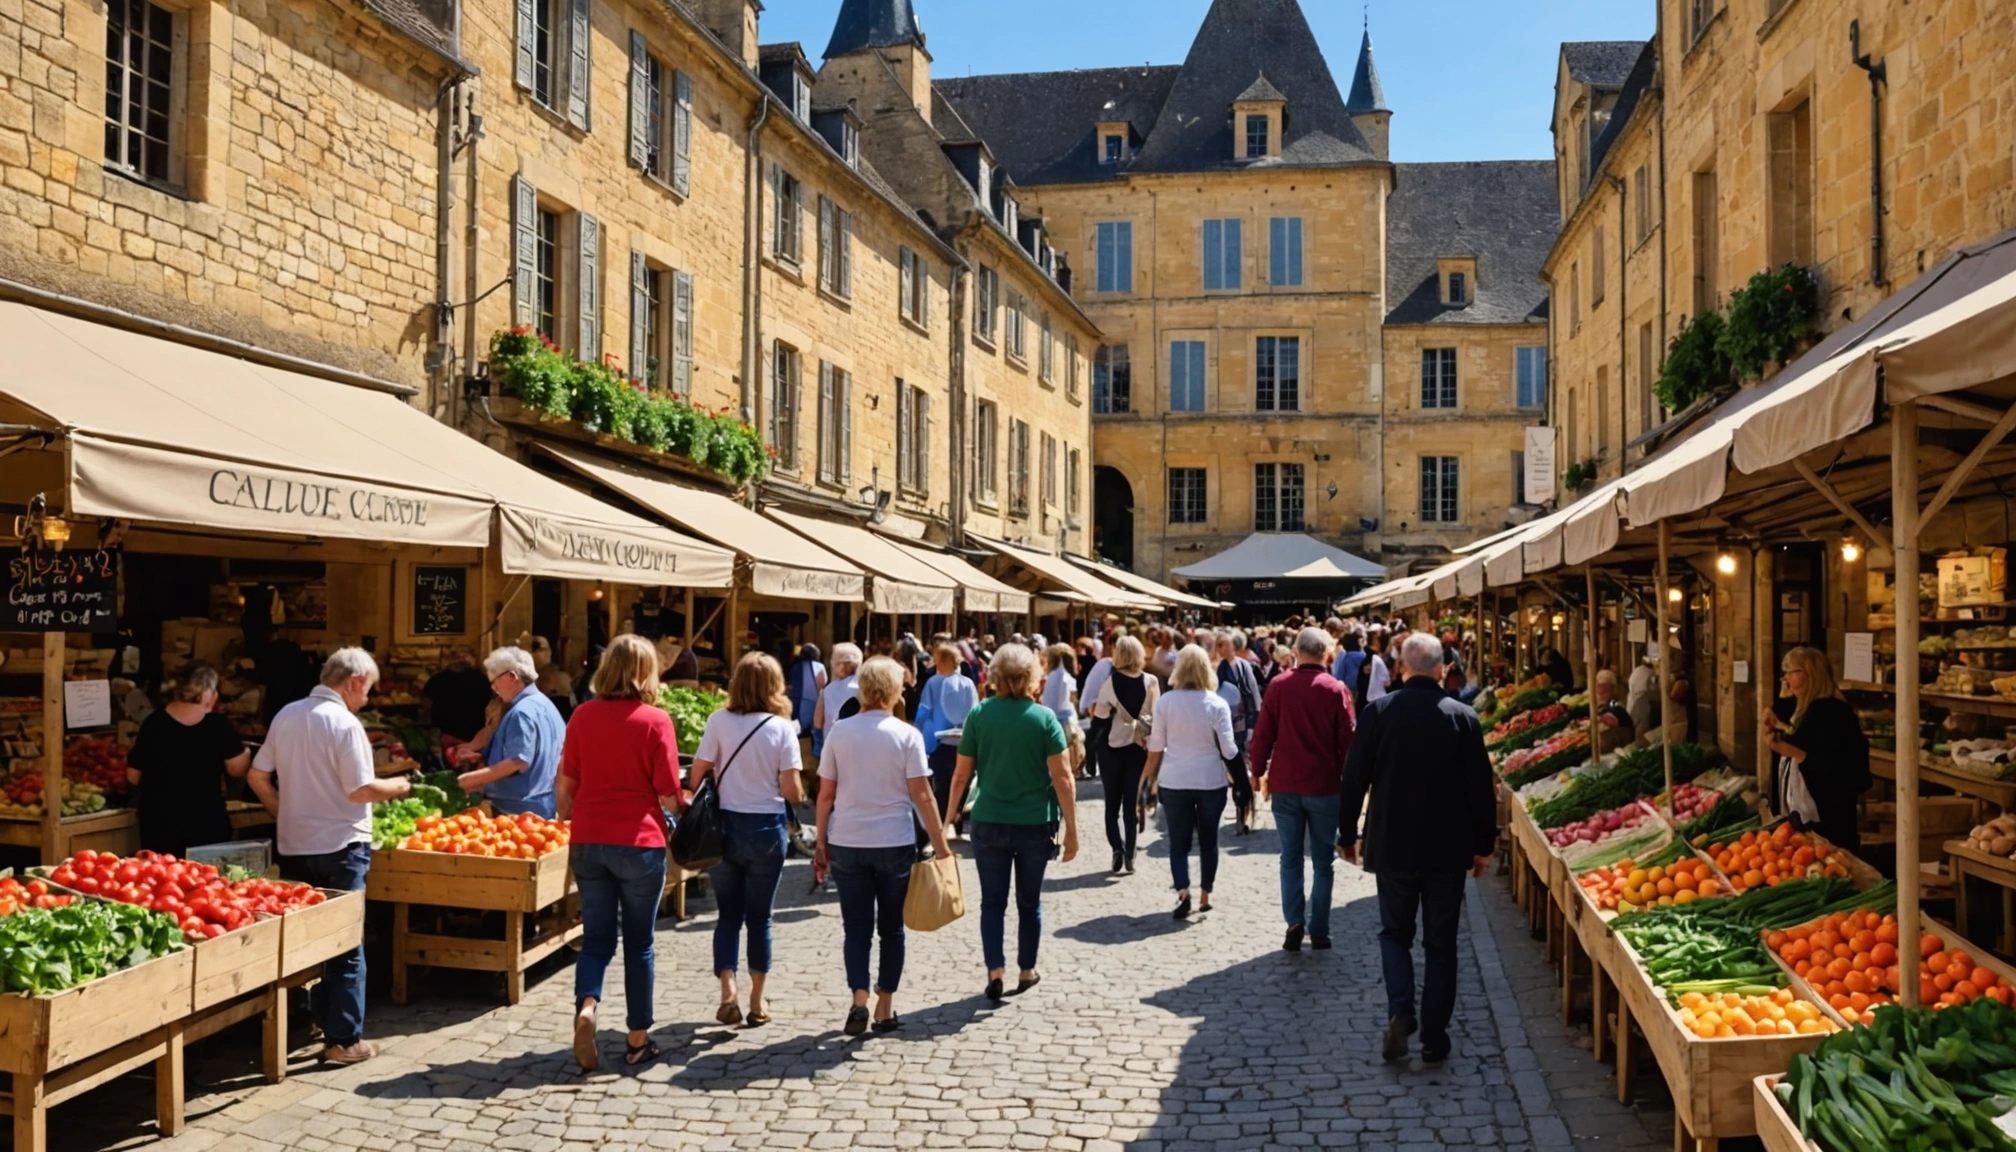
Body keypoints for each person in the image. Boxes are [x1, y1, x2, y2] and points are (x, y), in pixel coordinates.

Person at [247, 648, 412, 1065]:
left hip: (296, 844)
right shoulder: (344, 723)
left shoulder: (287, 714)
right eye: (368, 690)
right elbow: (360, 790)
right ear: (354, 681)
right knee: (345, 943)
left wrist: (283, 811)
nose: (368, 699)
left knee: (307, 942)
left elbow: (256, 775)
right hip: (341, 845)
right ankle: (344, 1040)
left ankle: (317, 1019)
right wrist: (399, 787)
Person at [1339, 633, 1497, 1065]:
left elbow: (1354, 776)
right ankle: (1434, 1036)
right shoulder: (1462, 717)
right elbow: (1480, 788)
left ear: (1400, 669)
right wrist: (1484, 845)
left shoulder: (1378, 713)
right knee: (1442, 943)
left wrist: (1347, 833)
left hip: (1392, 842)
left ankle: (1401, 1011)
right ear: (1442, 669)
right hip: (1448, 847)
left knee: (1394, 933)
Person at [560, 635, 684, 1071]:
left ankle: (587, 1006)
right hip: (639, 841)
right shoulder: (655, 721)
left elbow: (566, 786)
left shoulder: (581, 716)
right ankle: (637, 1039)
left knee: (595, 939)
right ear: (646, 672)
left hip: (589, 839)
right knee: (639, 943)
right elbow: (669, 793)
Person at [815, 657, 953, 1035]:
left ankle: (858, 998)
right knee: (891, 929)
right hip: (893, 842)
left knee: (855, 928)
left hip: (847, 839)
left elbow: (825, 794)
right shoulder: (905, 735)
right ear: (894, 692)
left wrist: (821, 841)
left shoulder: (840, 733)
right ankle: (884, 1007)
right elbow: (923, 796)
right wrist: (941, 846)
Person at [947, 643, 1080, 1002]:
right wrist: (1072, 830)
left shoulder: (979, 715)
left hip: (988, 821)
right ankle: (1026, 970)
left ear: (995, 677)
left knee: (992, 902)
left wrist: (948, 818)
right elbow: (1063, 778)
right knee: (1028, 902)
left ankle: (995, 970)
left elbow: (961, 775)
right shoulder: (1044, 718)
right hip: (1035, 823)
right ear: (1032, 678)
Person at [688, 652, 806, 1027]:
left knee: (727, 916)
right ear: (775, 686)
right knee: (760, 919)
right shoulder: (782, 728)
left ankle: (728, 991)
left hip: (724, 829)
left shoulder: (718, 721)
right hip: (766, 830)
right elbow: (793, 793)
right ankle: (757, 1001)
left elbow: (697, 774)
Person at [1249, 627, 1355, 952]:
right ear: (1327, 654)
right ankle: (1320, 931)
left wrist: (1256, 771)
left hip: (1286, 784)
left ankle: (1295, 920)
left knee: (1290, 857)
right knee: (1324, 862)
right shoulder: (1336, 689)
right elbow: (1349, 742)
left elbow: (1263, 733)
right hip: (1324, 785)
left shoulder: (1279, 686)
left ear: (1296, 652)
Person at [1144, 646, 1238, 920]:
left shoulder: (1166, 703)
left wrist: (1149, 779)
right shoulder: (1216, 703)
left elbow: (1157, 745)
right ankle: (1205, 895)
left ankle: (1183, 891)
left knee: (1179, 842)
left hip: (1174, 779)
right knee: (1209, 840)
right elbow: (1229, 749)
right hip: (1210, 779)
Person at [127, 662, 251, 857]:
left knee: (162, 883)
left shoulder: (153, 723)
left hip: (159, 825)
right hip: (205, 825)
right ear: (209, 692)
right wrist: (247, 752)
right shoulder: (219, 726)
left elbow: (133, 776)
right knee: (205, 882)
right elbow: (237, 769)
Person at [1765, 647, 1871, 853]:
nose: (1786, 678)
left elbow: (1835, 765)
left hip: (1829, 815)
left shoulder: (1832, 712)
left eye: (1792, 671)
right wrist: (1773, 714)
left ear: (1811, 674)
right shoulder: (1804, 707)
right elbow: (1788, 717)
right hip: (1808, 811)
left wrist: (1793, 752)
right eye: (1784, 672)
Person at [454, 646, 565, 818]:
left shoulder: (521, 712)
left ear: (511, 677)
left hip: (517, 811)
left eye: (494, 681)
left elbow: (518, 762)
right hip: (544, 805)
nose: (494, 688)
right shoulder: (545, 704)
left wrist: (470, 780)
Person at [1092, 635, 1159, 875]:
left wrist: (1089, 753)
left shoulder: (1110, 682)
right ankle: (1130, 854)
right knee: (1131, 805)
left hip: (1112, 749)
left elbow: (1099, 719)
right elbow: (1156, 717)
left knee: (1112, 804)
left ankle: (1117, 849)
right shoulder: (1150, 681)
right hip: (1138, 748)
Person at [912, 643, 978, 830]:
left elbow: (924, 710)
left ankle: (941, 822)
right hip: (964, 741)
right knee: (962, 779)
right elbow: (974, 710)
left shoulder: (933, 683)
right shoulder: (968, 683)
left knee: (941, 783)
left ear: (939, 662)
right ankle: (957, 812)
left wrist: (917, 727)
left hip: (938, 741)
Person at [1213, 631, 1261, 834]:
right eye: (1219, 645)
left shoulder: (1244, 666)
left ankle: (1246, 810)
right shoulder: (1218, 670)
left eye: (1224, 644)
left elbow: (1254, 693)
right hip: (1227, 725)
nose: (1222, 648)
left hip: (1244, 722)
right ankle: (1242, 810)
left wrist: (1255, 722)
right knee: (1234, 769)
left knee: (1244, 766)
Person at [423, 646, 492, 746]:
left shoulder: (437, 680)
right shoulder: (483, 680)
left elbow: (426, 704)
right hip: (475, 737)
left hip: (445, 736)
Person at [1041, 644, 1085, 776]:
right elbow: (1063, 703)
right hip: (1064, 719)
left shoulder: (1052, 677)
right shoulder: (1064, 677)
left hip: (1050, 719)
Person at [814, 643, 863, 757]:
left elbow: (817, 722)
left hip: (832, 751)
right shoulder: (864, 689)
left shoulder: (826, 691)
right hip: (858, 750)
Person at [1078, 641, 1115, 783]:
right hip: (1103, 710)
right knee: (1095, 740)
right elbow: (1091, 689)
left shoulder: (1105, 665)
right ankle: (1091, 767)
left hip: (1112, 713)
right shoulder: (1105, 665)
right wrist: (1090, 706)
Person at [788, 643, 828, 740]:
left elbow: (792, 683)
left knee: (796, 730)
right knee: (814, 730)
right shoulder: (819, 666)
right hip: (812, 700)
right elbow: (822, 683)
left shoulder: (795, 666)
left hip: (795, 700)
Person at [1591, 669, 1636, 752]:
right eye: (1599, 687)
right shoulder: (1602, 709)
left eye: (1605, 689)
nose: (1601, 692)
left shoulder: (1617, 709)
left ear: (1613, 690)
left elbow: (1607, 722)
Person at [1331, 632, 1367, 709]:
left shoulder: (1344, 656)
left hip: (1347, 687)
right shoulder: (1362, 655)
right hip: (1358, 688)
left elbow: (1338, 673)